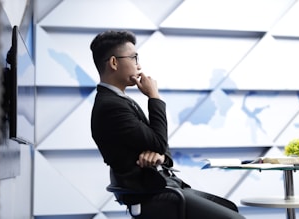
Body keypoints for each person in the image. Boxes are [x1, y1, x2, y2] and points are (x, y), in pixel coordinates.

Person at [90, 30, 246, 219]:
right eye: (134, 58)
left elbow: (161, 147)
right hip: (151, 193)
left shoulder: (120, 101)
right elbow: (159, 141)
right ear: (114, 62)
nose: (139, 65)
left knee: (230, 209)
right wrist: (154, 97)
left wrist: (161, 157)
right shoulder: (111, 106)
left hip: (163, 186)